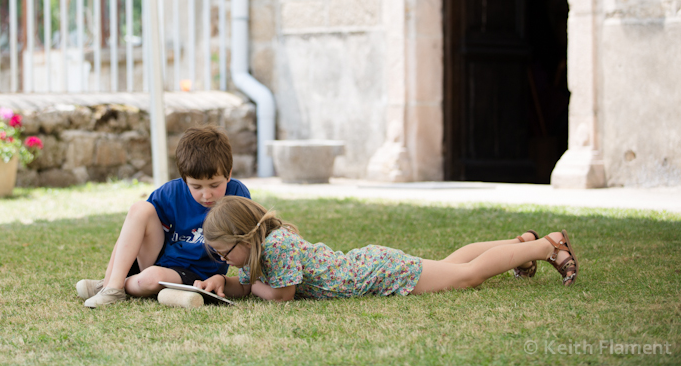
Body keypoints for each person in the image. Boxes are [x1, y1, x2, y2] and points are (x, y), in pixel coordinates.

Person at [196, 196, 579, 301]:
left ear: (246, 238)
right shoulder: (258, 253)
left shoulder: (276, 248)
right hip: (375, 265)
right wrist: (220, 282)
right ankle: (520, 245)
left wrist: (243, 286)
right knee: (450, 265)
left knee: (466, 276)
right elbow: (248, 284)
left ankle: (546, 246)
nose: (223, 261)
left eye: (224, 253)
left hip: (380, 274)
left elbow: (279, 295)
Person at [77, 125, 251, 308]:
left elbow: (248, 243)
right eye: (197, 187)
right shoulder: (170, 192)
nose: (206, 195)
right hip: (157, 260)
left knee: (151, 279)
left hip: (197, 273)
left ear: (229, 174)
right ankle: (110, 286)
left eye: (214, 185)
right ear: (184, 179)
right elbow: (132, 232)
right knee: (139, 209)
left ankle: (114, 286)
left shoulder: (237, 195)